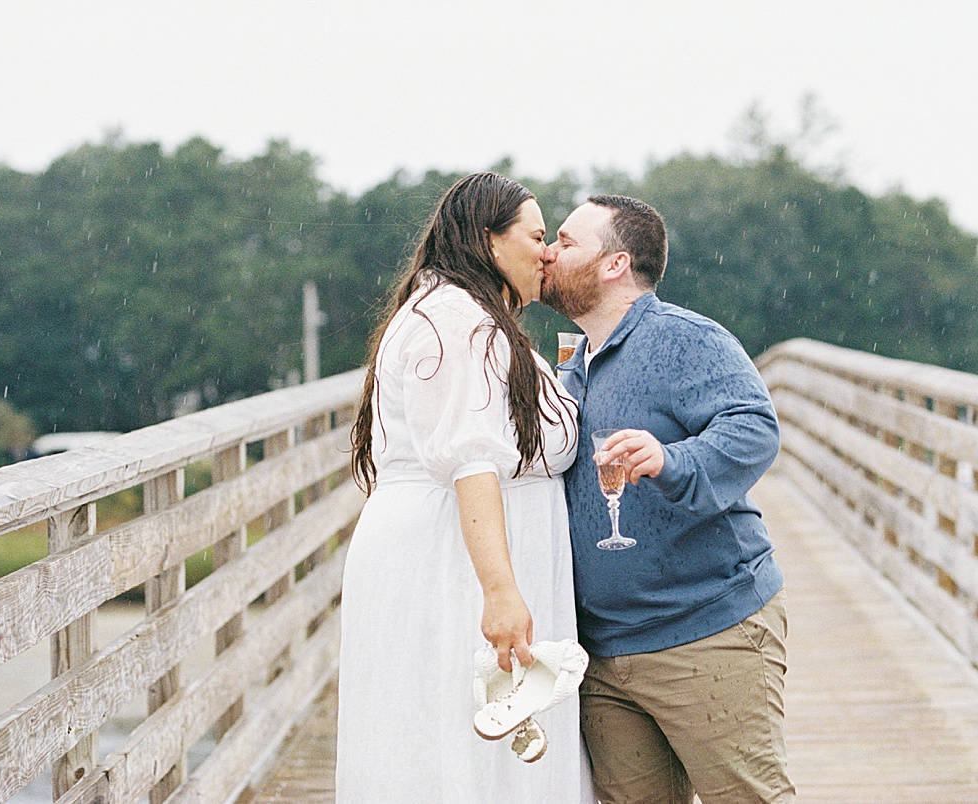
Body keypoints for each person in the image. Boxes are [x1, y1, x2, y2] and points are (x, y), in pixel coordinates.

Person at [338, 173, 594, 802]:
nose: (548, 253)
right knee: (449, 748)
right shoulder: (455, 320)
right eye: (537, 236)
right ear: (488, 241)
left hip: (460, 556)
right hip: (451, 564)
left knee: (454, 743)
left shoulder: (471, 315)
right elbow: (471, 463)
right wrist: (502, 594)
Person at [542, 195, 796, 804]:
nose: (550, 252)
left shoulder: (686, 339)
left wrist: (671, 458)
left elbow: (756, 428)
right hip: (603, 655)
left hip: (707, 633)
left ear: (614, 264)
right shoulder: (572, 362)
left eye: (568, 242)